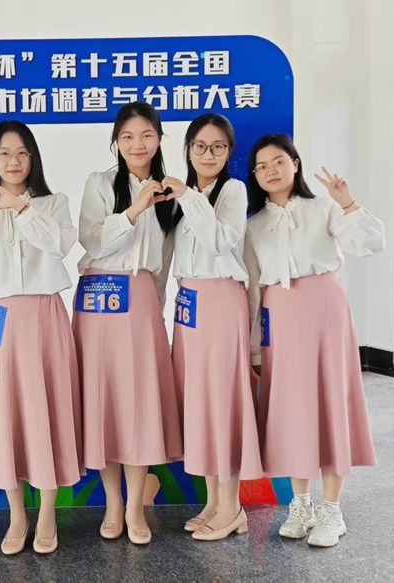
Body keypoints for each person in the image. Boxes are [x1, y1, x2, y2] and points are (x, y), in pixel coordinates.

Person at [244, 133, 385, 547]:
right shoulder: (254, 224)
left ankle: (332, 510)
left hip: (325, 312)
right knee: (292, 410)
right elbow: (253, 288)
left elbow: (371, 242)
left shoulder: (324, 208)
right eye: (261, 166)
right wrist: (254, 346)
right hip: (280, 316)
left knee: (330, 404)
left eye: (278, 161)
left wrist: (348, 202)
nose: (270, 171)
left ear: (295, 163)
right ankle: (301, 504)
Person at [0, 121, 84, 555]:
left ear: (33, 158)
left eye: (21, 153)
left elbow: (60, 246)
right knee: (6, 419)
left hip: (46, 317)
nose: (13, 161)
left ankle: (47, 515)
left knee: (49, 415)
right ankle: (17, 516)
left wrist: (21, 207)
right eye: (4, 153)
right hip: (1, 325)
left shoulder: (53, 203)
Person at [74, 101, 183, 545]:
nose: (138, 145)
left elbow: (165, 261)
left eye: (146, 135)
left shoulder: (173, 193)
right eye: (128, 137)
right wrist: (135, 209)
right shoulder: (99, 183)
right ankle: (113, 503)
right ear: (116, 142)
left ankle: (136, 506)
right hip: (98, 298)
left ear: (159, 139)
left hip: (139, 301)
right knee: (104, 404)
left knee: (138, 405)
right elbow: (91, 241)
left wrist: (155, 308)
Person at [164, 114, 264, 541]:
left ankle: (232, 506)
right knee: (200, 401)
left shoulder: (232, 190)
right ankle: (213, 501)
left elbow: (220, 241)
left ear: (229, 151)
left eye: (218, 146)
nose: (209, 154)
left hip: (221, 300)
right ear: (188, 149)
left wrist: (188, 196)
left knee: (222, 401)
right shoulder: (181, 197)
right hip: (188, 303)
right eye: (200, 146)